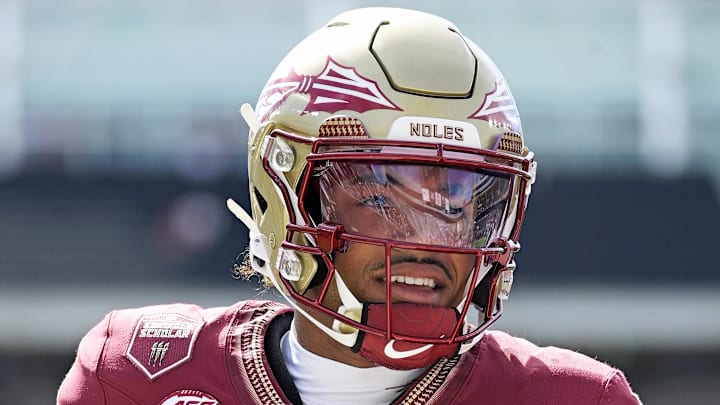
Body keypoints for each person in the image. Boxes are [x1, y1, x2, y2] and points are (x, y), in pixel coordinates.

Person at [57, 7, 642, 405]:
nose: (424, 240)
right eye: (380, 197)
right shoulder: (133, 378)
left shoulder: (576, 397)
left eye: (454, 200)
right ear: (286, 196)